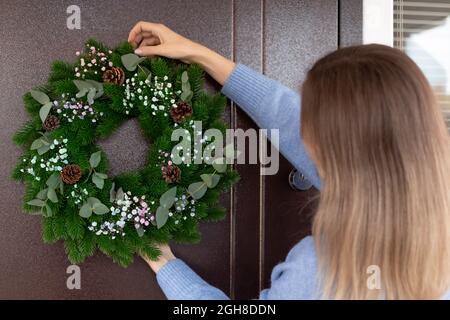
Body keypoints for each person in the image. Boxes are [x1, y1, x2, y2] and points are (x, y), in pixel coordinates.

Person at [128, 21, 450, 300]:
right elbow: (284, 113)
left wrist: (163, 262)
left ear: (329, 152)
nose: (302, 129)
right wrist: (196, 53)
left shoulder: (323, 271)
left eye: (310, 120)